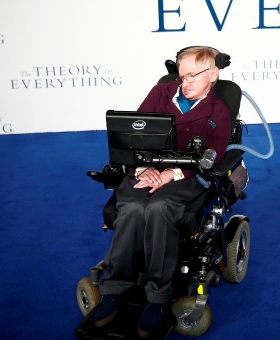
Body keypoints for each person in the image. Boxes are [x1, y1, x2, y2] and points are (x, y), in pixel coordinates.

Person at [93, 46, 231, 337]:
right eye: (182, 76)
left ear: (213, 74)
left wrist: (171, 173)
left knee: (158, 209)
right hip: (146, 169)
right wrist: (146, 169)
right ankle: (115, 288)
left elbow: (215, 153)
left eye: (194, 75)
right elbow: (133, 135)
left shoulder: (219, 111)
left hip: (186, 177)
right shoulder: (160, 94)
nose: (186, 82)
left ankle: (157, 296)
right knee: (131, 207)